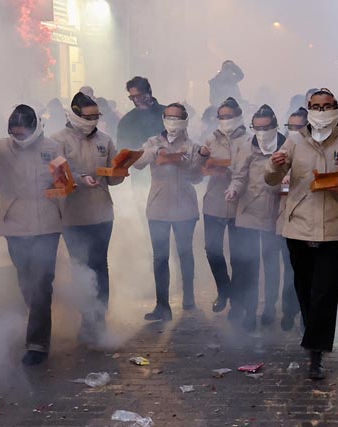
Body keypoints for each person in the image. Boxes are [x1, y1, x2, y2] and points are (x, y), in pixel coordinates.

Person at [265, 89, 338, 380]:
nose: (321, 111)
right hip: (298, 225)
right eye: (316, 106)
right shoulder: (294, 141)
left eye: (326, 106)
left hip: (332, 227)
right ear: (308, 109)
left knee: (325, 291)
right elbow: (271, 180)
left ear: (336, 109)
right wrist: (273, 165)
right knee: (304, 289)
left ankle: (316, 353)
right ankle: (311, 335)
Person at [0, 105, 63, 365]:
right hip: (15, 226)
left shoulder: (52, 148)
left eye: (23, 134)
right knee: (27, 282)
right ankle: (37, 317)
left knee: (42, 283)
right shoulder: (0, 147)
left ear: (34, 129)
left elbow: (64, 181)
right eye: (14, 134)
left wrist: (64, 186)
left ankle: (37, 345)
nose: (19, 139)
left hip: (47, 226)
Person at [51, 90, 124, 341]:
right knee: (80, 266)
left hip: (102, 212)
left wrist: (119, 172)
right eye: (88, 117)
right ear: (74, 114)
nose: (93, 121)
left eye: (96, 117)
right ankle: (85, 318)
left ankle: (100, 317)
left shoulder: (105, 139)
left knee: (100, 265)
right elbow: (55, 176)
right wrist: (80, 179)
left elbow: (113, 178)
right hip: (72, 215)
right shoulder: (57, 141)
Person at [131, 103, 203, 321]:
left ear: (185, 121)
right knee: (160, 257)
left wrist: (191, 162)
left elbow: (197, 177)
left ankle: (188, 297)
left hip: (185, 208)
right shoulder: (153, 141)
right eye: (169, 117)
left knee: (185, 253)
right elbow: (138, 163)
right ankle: (162, 305)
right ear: (163, 119)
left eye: (177, 118)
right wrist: (157, 152)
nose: (172, 122)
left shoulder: (192, 146)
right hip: (158, 207)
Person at [227, 105, 287, 330]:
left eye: (266, 127)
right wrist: (233, 189)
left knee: (272, 264)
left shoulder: (286, 145)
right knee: (249, 265)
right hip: (248, 213)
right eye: (257, 128)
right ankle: (250, 312)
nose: (262, 132)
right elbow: (239, 175)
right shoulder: (246, 146)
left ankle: (270, 307)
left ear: (275, 126)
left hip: (275, 213)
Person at [200, 97, 247, 314]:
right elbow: (198, 169)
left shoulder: (249, 140)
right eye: (221, 117)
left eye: (229, 116)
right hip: (215, 202)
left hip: (240, 203)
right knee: (212, 250)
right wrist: (204, 163)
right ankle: (224, 289)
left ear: (238, 116)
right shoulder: (210, 140)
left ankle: (237, 301)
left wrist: (233, 174)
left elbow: (249, 171)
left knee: (238, 255)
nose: (225, 120)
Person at [276, 108, 309, 331]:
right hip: (285, 219)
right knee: (290, 270)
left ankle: (307, 315)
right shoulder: (283, 150)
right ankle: (289, 310)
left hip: (309, 220)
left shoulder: (312, 150)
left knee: (308, 273)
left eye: (298, 127)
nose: (294, 131)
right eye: (290, 127)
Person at [116, 76, 167, 150]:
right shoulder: (127, 121)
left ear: (149, 93)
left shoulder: (168, 114)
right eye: (132, 97)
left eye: (139, 96)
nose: (136, 100)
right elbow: (122, 149)